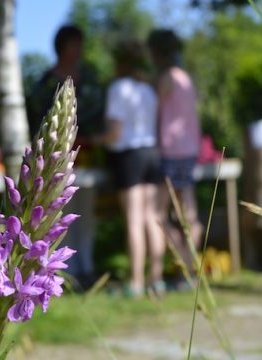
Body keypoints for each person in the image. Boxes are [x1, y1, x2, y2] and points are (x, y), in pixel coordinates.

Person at [27, 24, 104, 290]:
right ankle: (65, 275)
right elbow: (36, 118)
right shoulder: (46, 82)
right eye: (75, 44)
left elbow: (99, 112)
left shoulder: (89, 78)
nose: (79, 50)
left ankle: (87, 268)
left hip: (86, 154)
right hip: (51, 160)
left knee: (85, 214)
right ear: (62, 47)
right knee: (59, 215)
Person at [97, 40, 166, 297]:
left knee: (134, 220)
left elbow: (114, 133)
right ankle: (156, 280)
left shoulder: (118, 88)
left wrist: (97, 140)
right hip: (151, 153)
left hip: (130, 156)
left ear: (120, 62)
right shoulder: (147, 90)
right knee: (152, 218)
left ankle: (136, 282)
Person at [147, 29, 203, 277]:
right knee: (190, 215)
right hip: (190, 149)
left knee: (157, 214)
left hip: (170, 151)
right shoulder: (185, 78)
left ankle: (182, 260)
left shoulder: (166, 79)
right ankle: (191, 268)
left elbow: (154, 113)